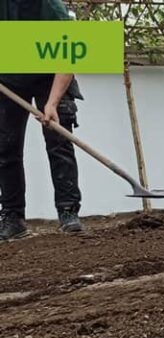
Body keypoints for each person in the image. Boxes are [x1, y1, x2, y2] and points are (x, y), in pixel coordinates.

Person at [0, 0, 84, 240]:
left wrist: (53, 103)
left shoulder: (49, 6)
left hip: (50, 76)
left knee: (59, 140)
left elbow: (68, 55)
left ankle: (68, 211)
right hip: (8, 77)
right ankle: (13, 217)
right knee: (5, 149)